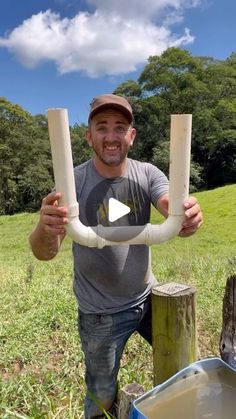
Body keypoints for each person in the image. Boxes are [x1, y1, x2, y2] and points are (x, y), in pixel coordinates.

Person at [29, 94, 203, 418]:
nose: (111, 136)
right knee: (101, 394)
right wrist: (45, 228)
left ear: (131, 136)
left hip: (148, 298)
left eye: (120, 127)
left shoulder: (148, 174)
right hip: (100, 314)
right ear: (88, 135)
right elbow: (44, 252)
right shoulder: (73, 182)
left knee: (184, 367)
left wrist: (185, 214)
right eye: (102, 127)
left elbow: (168, 203)